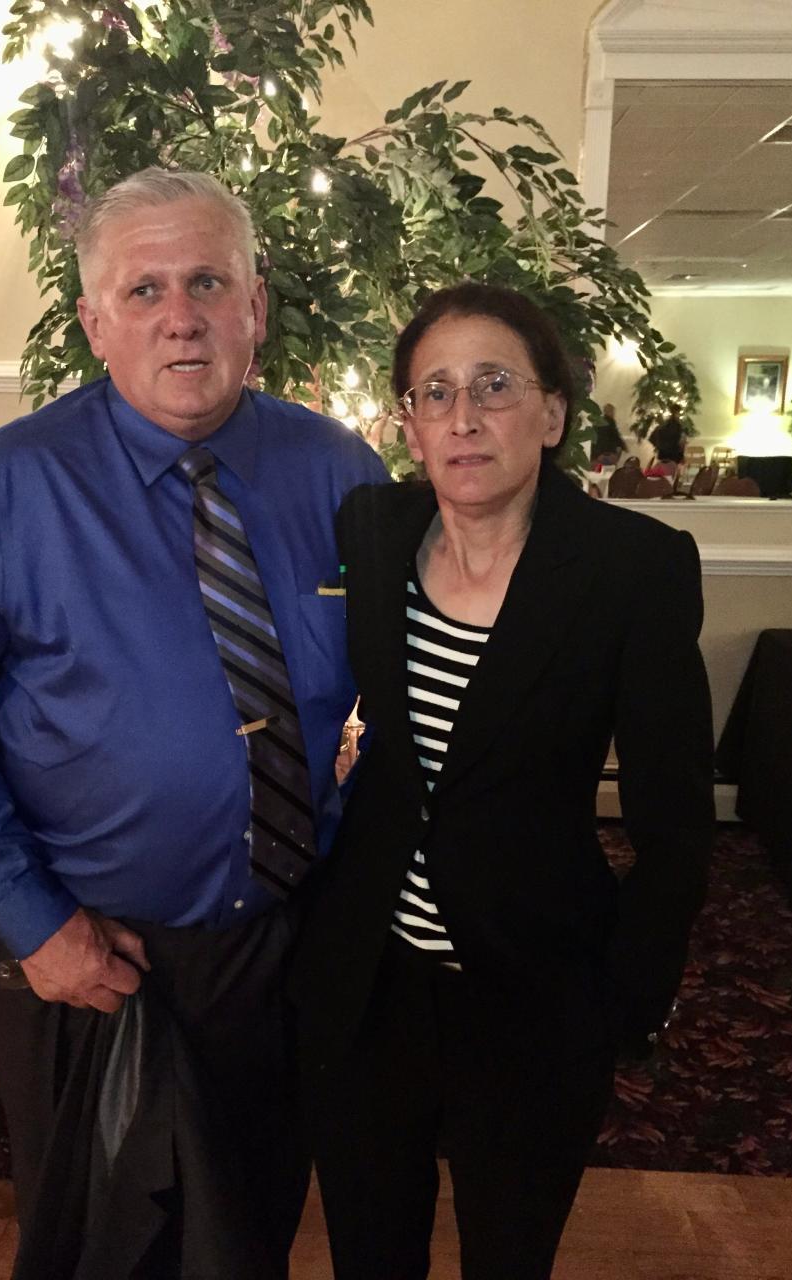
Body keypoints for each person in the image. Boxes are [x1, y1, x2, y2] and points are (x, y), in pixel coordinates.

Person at [0, 168, 388, 1279]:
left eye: (208, 279)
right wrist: (36, 922)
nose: (181, 313)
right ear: (96, 322)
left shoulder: (341, 473)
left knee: (246, 1227)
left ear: (255, 306)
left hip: (278, 945)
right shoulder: (10, 485)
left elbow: (394, 685)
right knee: (101, 1243)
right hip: (94, 951)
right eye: (143, 288)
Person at [289, 283, 714, 1279]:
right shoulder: (373, 529)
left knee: (508, 1255)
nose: (463, 416)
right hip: (371, 981)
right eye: (434, 393)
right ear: (409, 421)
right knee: (370, 1250)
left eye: (493, 385)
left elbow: (677, 822)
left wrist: (628, 999)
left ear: (554, 412)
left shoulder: (631, 568)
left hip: (532, 989)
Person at [648, 402, 685, 467]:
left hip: (663, 454)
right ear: (677, 412)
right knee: (671, 472)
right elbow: (680, 441)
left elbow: (652, 437)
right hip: (674, 454)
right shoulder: (677, 425)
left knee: (662, 472)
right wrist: (681, 455)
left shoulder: (664, 424)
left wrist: (658, 446)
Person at [591, 401, 625, 466]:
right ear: (610, 411)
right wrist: (624, 447)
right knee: (619, 450)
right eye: (613, 412)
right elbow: (616, 437)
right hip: (608, 455)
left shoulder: (597, 422)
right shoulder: (611, 422)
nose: (614, 414)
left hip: (596, 456)